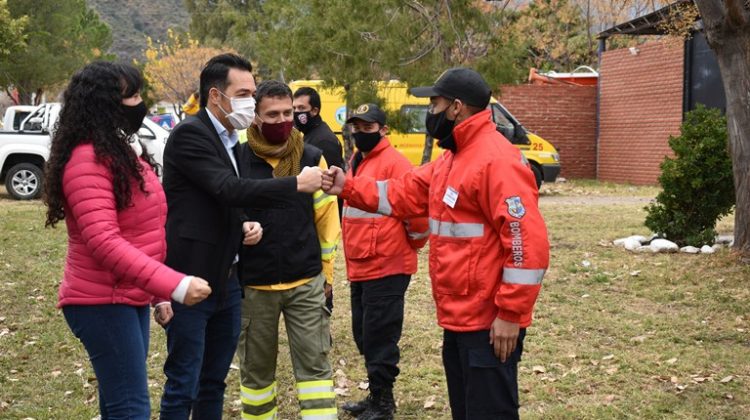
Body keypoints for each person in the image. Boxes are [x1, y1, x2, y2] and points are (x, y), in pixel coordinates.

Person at [323, 67, 550, 420]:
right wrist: (347, 186)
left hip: (489, 322)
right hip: (459, 318)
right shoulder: (452, 158)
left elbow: (526, 243)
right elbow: (401, 193)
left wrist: (510, 314)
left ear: (456, 107)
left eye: (434, 104)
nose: (430, 111)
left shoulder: (496, 160)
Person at [156, 54, 324, 419]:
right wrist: (296, 183)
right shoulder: (191, 134)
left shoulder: (229, 137)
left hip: (228, 280)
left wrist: (243, 224)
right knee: (185, 380)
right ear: (216, 96)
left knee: (214, 380)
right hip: (192, 277)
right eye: (245, 93)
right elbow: (227, 187)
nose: (251, 100)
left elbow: (221, 201)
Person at [43, 61, 212, 418]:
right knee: (130, 409)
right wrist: (175, 285)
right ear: (103, 104)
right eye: (130, 96)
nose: (139, 103)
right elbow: (104, 242)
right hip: (101, 302)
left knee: (120, 405)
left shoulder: (120, 153)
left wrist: (157, 295)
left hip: (127, 296)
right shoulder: (87, 160)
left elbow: (141, 233)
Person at [236, 80, 340, 420]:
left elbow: (327, 221)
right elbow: (225, 210)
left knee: (315, 374)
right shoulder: (237, 159)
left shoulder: (312, 157)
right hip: (254, 286)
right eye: (272, 114)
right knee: (256, 377)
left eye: (288, 113)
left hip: (305, 282)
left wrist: (327, 276)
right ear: (255, 117)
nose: (282, 120)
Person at [338, 103, 429, 420]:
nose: (361, 133)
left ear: (383, 129)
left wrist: (410, 247)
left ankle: (384, 403)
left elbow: (418, 215)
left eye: (368, 127)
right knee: (364, 335)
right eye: (357, 128)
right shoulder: (357, 160)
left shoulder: (396, 163)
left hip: (387, 265)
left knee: (380, 337)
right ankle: (375, 395)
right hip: (361, 263)